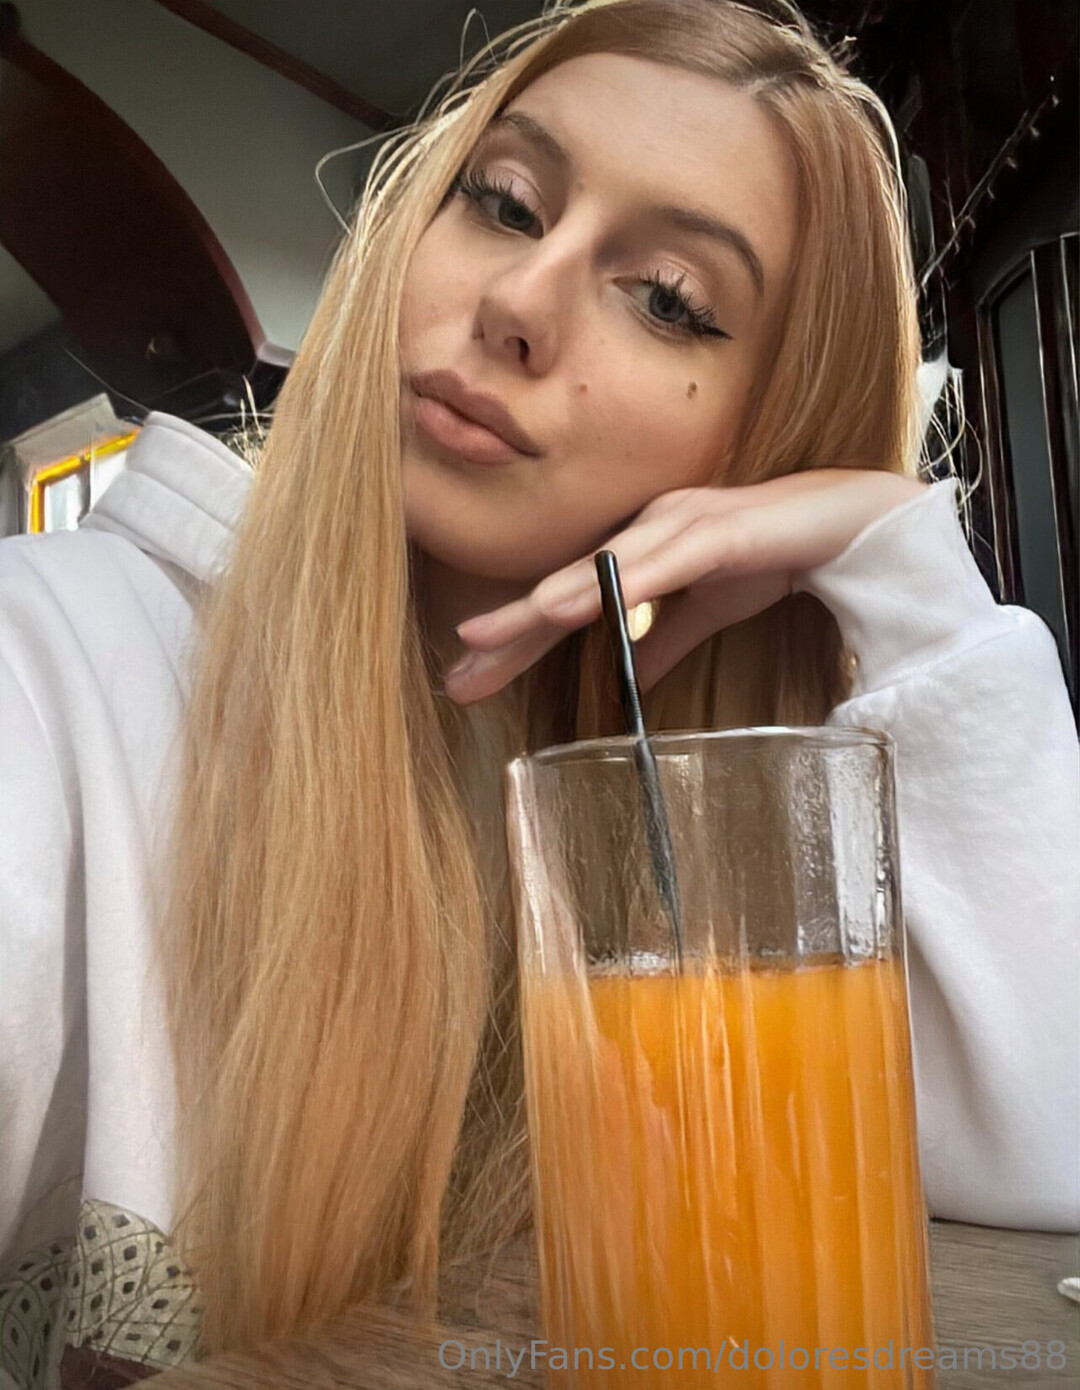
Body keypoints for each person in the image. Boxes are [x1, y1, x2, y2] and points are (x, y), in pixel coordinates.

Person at [0, 0, 1076, 1381]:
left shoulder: (725, 817)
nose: (516, 304)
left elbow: (1049, 1149)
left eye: (669, 300)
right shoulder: (50, 668)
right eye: (504, 204)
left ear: (764, 440)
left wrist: (904, 569)